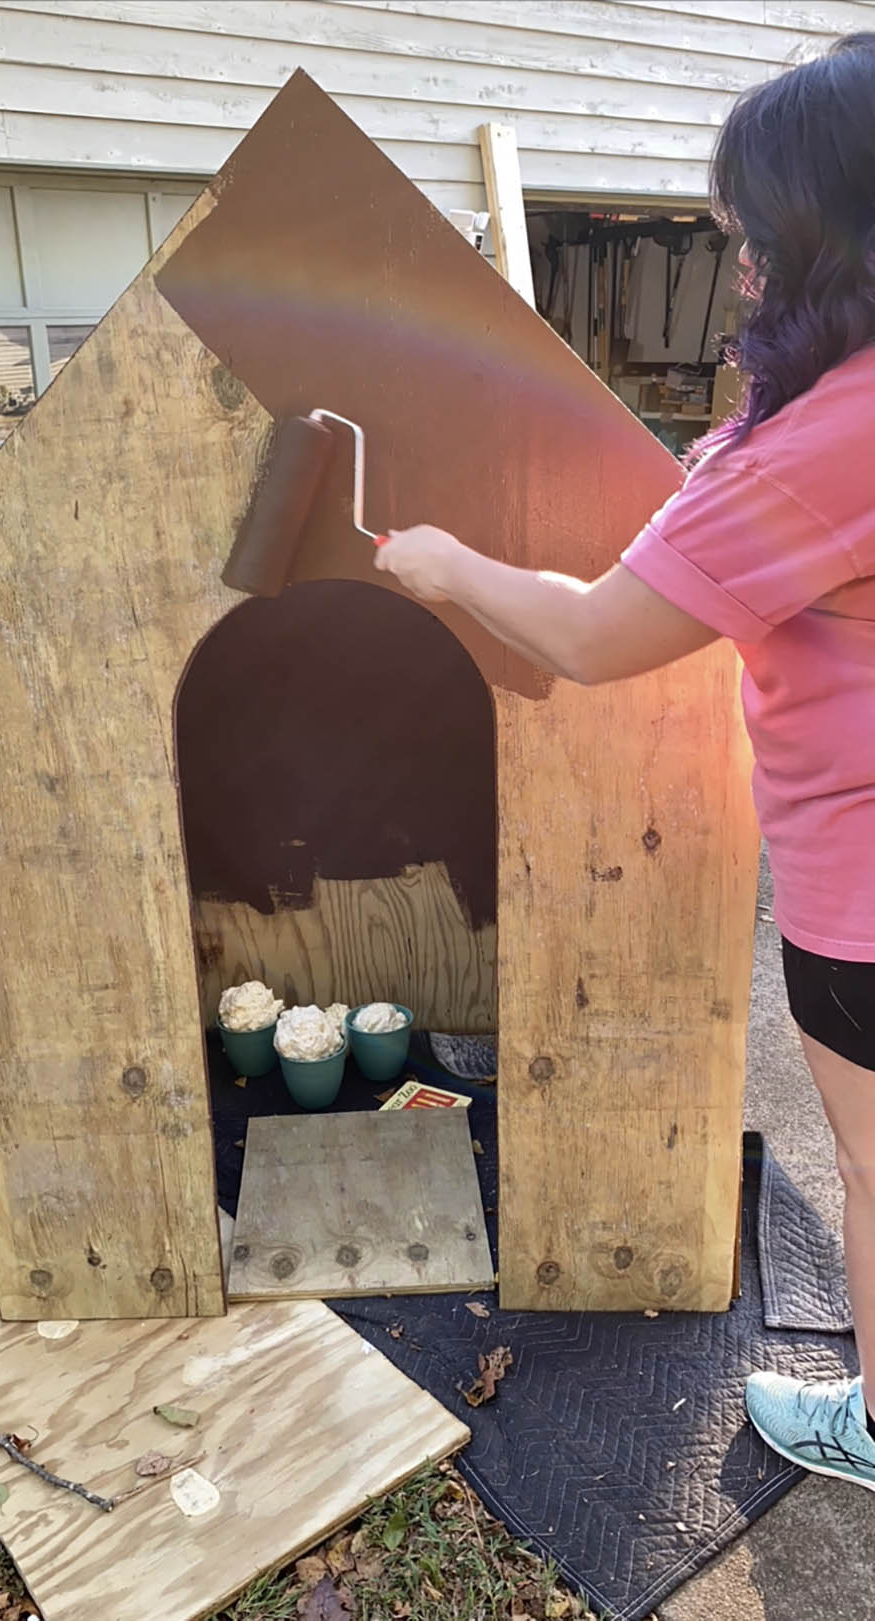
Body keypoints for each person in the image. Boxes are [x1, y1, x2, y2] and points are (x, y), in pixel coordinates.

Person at [375, 33, 875, 1492]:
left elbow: (596, 637)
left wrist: (452, 561)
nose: (738, 269)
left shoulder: (813, 448)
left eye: (746, 237)